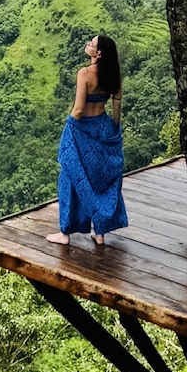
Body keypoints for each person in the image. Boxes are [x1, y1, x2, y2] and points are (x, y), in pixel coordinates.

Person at [48, 33, 127, 246]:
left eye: (91, 44)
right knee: (100, 179)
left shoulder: (84, 74)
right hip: (103, 128)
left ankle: (65, 232)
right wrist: (114, 129)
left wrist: (68, 126)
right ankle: (99, 232)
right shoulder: (114, 75)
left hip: (81, 130)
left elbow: (79, 109)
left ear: (98, 53)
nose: (87, 45)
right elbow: (116, 105)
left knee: (70, 176)